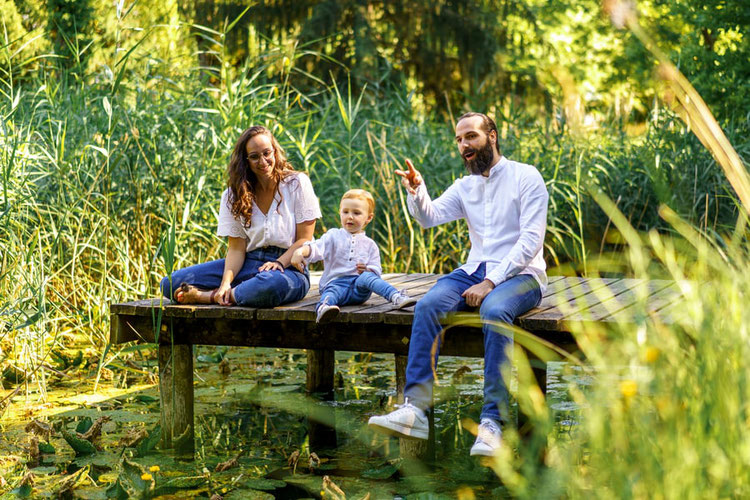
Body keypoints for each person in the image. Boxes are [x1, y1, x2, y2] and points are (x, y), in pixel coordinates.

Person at [367, 112, 548, 457]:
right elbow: (428, 218)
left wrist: (492, 281)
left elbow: (530, 241)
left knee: (495, 309)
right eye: (459, 140)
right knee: (429, 304)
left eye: (471, 137)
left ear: (491, 136)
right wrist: (417, 191)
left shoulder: (526, 176)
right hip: (474, 269)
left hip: (523, 274)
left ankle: (492, 423)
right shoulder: (465, 186)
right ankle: (416, 409)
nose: (464, 145)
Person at [160, 125, 321, 307]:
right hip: (249, 262)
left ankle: (206, 297)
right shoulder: (233, 195)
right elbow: (236, 249)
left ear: (275, 152)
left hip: (290, 267)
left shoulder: (296, 183)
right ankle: (233, 292)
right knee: (170, 283)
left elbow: (304, 240)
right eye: (254, 157)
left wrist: (279, 263)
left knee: (268, 286)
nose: (263, 161)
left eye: (267, 153)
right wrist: (225, 283)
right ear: (245, 161)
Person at [291, 189, 417, 324]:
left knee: (367, 277)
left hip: (359, 289)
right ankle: (324, 307)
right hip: (336, 283)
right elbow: (315, 248)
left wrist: (368, 269)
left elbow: (376, 270)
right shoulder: (333, 236)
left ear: (368, 218)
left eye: (356, 213)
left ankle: (396, 297)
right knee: (331, 292)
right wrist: (300, 252)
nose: (350, 217)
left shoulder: (370, 244)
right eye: (345, 212)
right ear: (340, 212)